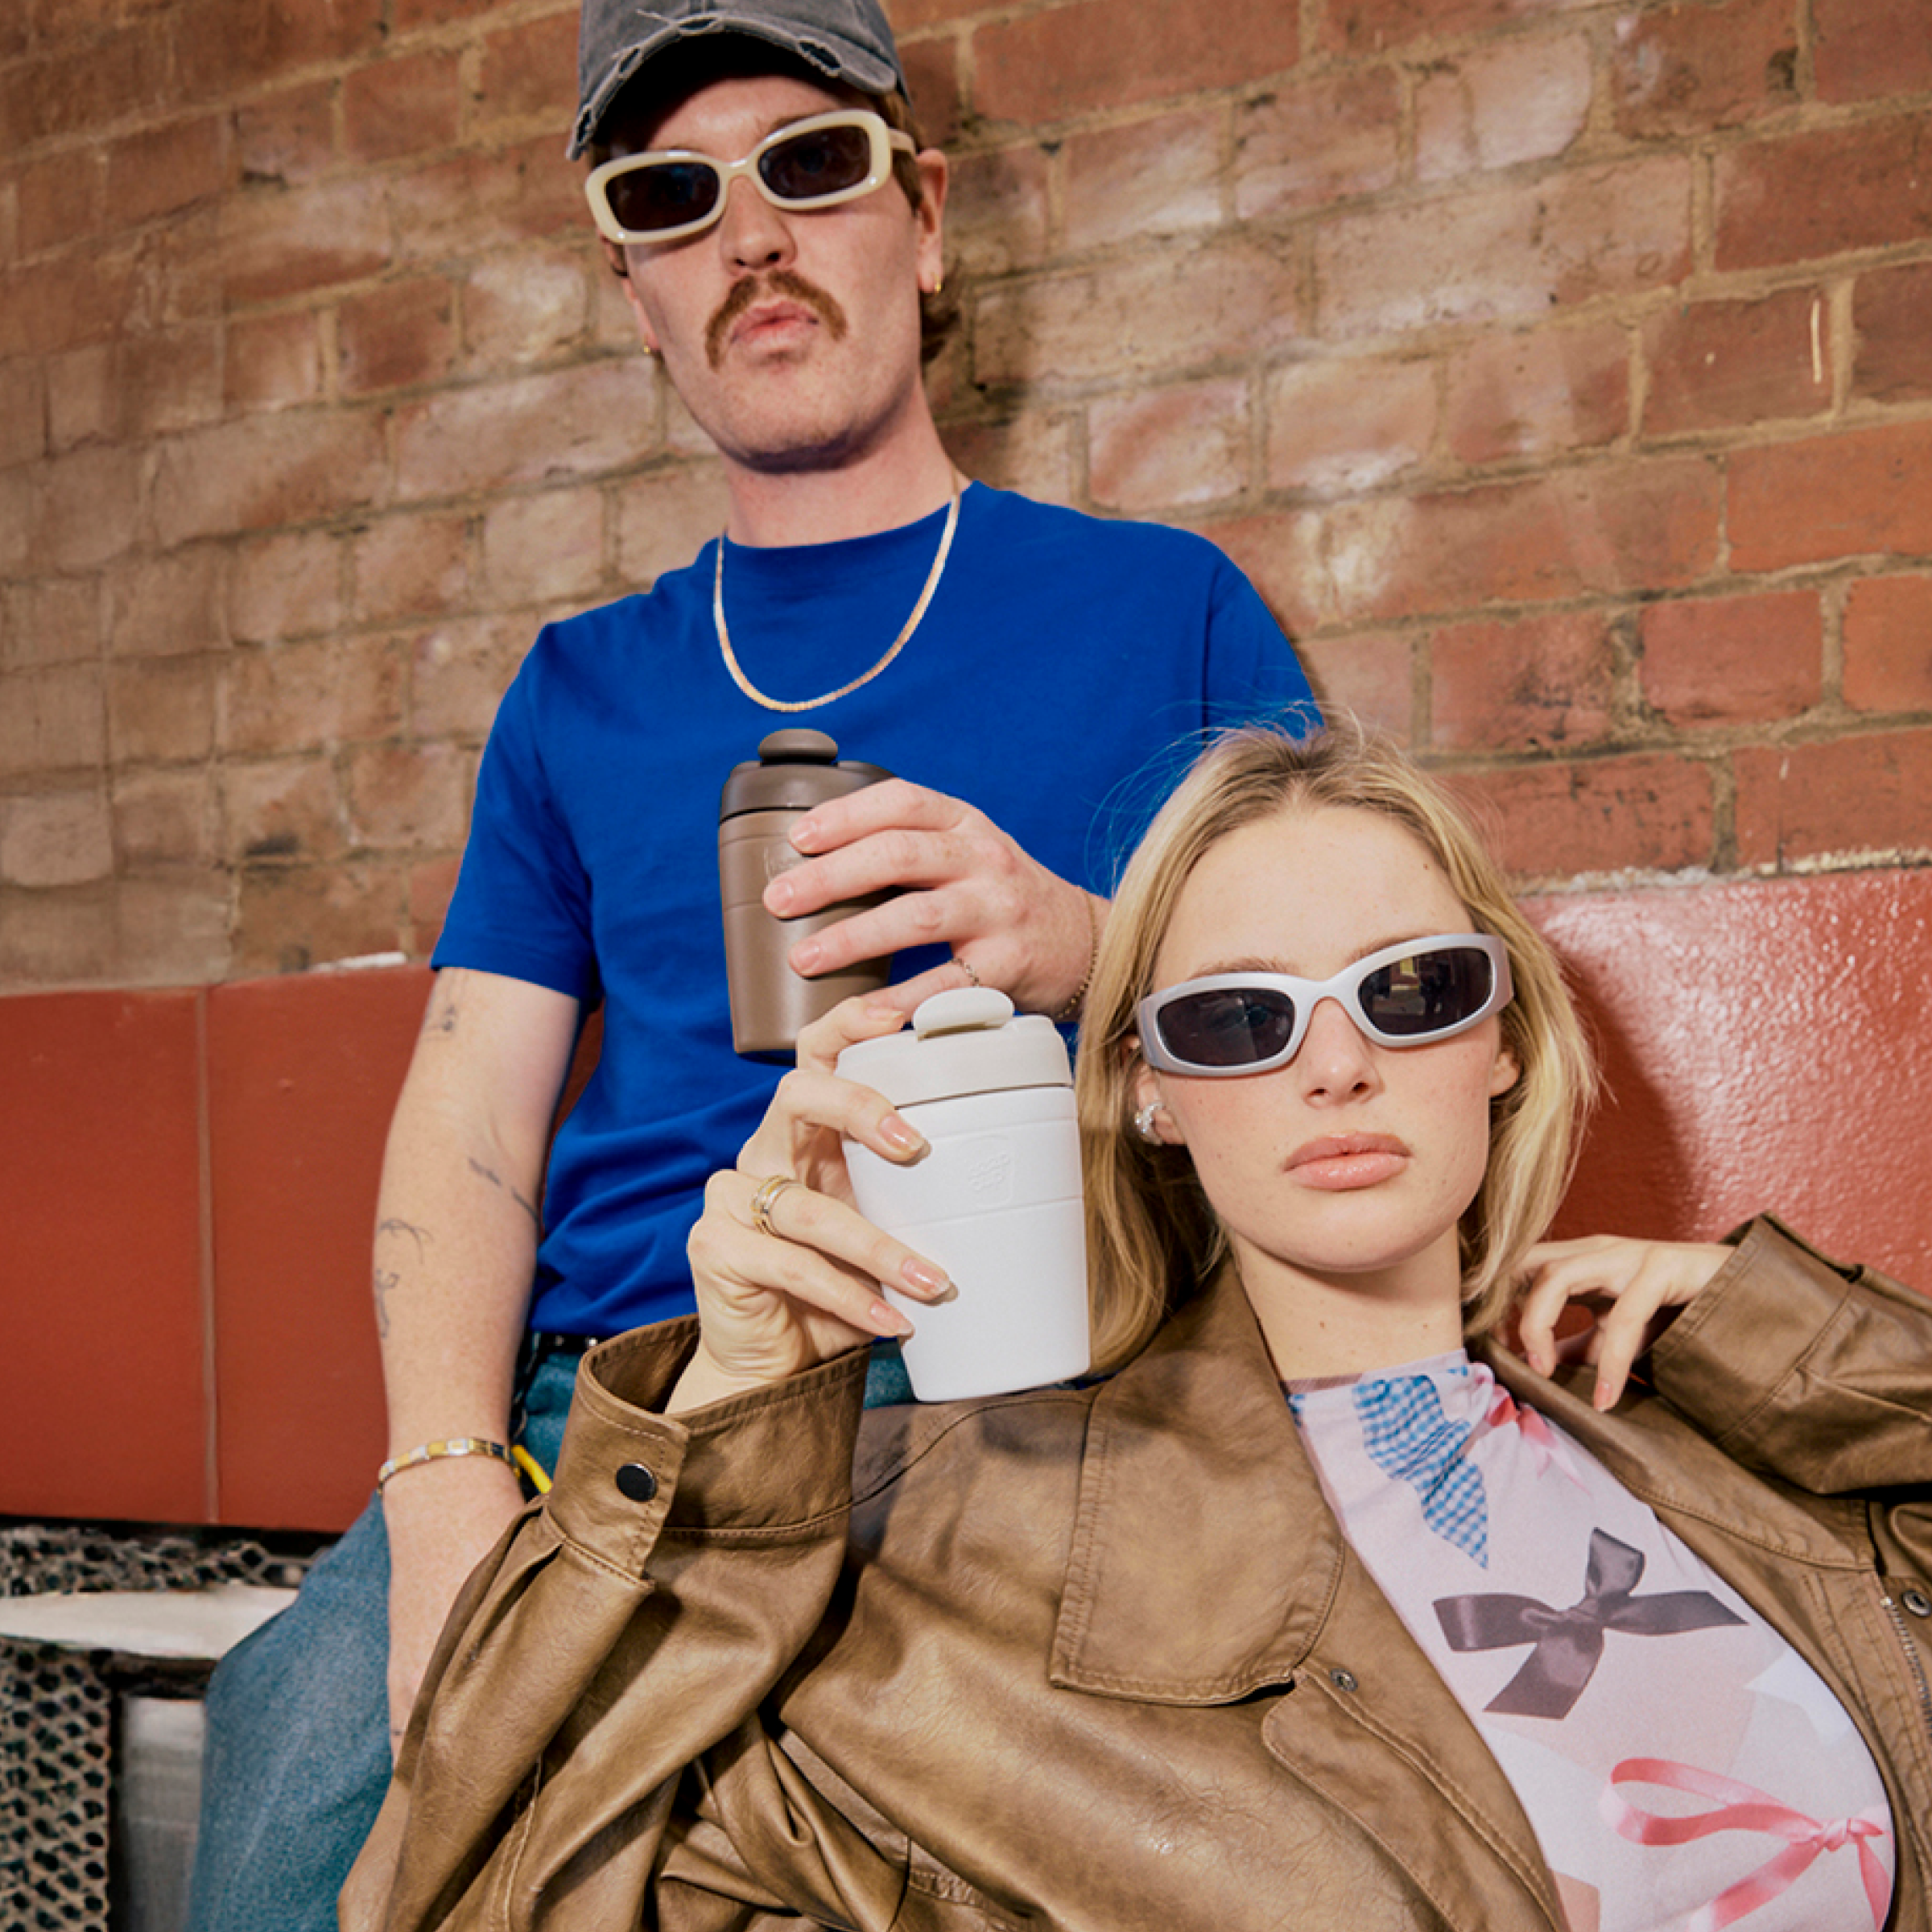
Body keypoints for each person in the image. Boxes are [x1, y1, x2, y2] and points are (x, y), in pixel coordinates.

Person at [185, 1, 1311, 1926]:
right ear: (633, 295)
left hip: (1028, 1388)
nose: (753, 235)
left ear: (924, 218)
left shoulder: (1164, 607)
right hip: (624, 1404)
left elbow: (1351, 1007)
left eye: (810, 162)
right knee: (302, 1796)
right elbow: (470, 1120)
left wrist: (1080, 939)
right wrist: (443, 1478)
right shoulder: (579, 690)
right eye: (672, 198)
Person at [342, 721, 1930, 1932]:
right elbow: (471, 1893)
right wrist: (733, 1439)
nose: (1338, 1066)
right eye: (1239, 1017)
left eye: (1411, 989)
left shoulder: (1714, 1440)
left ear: (1502, 1036)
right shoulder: (958, 1543)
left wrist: (1785, 1337)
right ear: (1150, 1089)